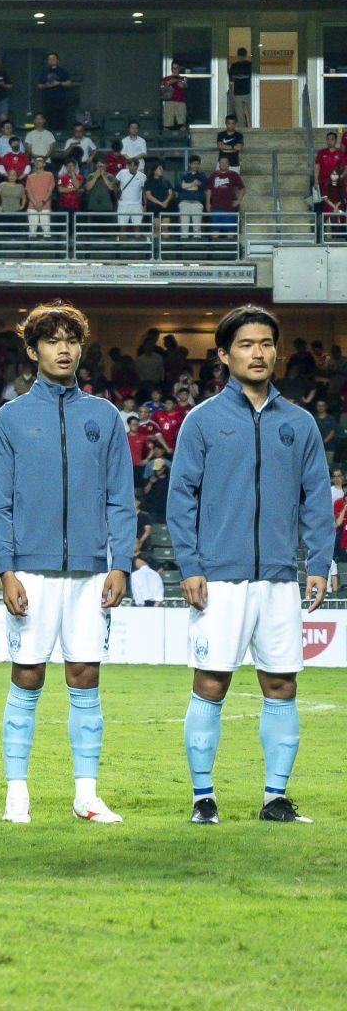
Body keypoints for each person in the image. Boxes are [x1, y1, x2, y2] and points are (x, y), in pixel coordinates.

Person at [168, 306, 331, 825]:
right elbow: (181, 499)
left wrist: (319, 562)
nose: (257, 352)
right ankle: (203, 798)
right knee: (211, 682)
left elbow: (315, 500)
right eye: (245, 344)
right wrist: (190, 565)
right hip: (219, 577)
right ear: (223, 354)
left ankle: (275, 798)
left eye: (265, 343)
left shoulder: (299, 422)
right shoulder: (204, 420)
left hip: (280, 577)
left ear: (277, 352)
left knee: (281, 684)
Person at [0, 302, 136, 825]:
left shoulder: (104, 416)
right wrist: (5, 569)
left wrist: (122, 566)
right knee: (26, 675)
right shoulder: (9, 418)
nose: (64, 348)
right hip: (30, 568)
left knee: (85, 675)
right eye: (52, 340)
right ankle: (17, 793)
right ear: (33, 351)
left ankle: (86, 795)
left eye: (71, 339)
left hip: (94, 570)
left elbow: (121, 497)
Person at [228, 46, 253, 125]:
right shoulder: (250, 65)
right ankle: (253, 129)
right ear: (246, 55)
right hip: (249, 92)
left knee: (240, 115)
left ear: (237, 55)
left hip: (237, 93)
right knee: (252, 114)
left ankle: (243, 131)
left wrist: (231, 94)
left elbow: (231, 82)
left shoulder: (234, 66)